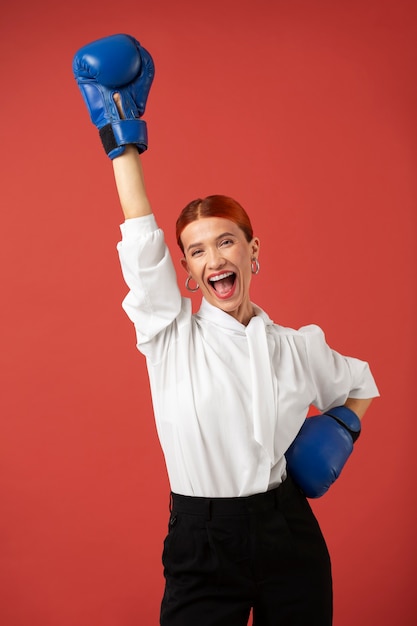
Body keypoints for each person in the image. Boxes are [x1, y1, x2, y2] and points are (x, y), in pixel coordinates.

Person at [73, 34, 379, 626]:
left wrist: (339, 431)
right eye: (196, 252)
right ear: (186, 272)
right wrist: (120, 140)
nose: (213, 258)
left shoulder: (298, 347)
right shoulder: (170, 337)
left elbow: (362, 382)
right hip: (203, 539)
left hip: (290, 534)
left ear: (252, 252)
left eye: (226, 241)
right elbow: (141, 235)